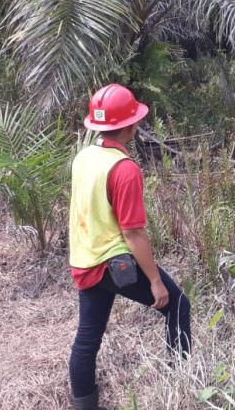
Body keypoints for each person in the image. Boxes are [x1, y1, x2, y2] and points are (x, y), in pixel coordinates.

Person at [68, 84, 191, 410]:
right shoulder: (124, 170)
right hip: (113, 262)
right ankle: (181, 386)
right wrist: (154, 281)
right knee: (178, 306)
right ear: (130, 126)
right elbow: (133, 233)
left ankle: (85, 406)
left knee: (87, 337)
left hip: (85, 259)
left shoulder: (84, 156)